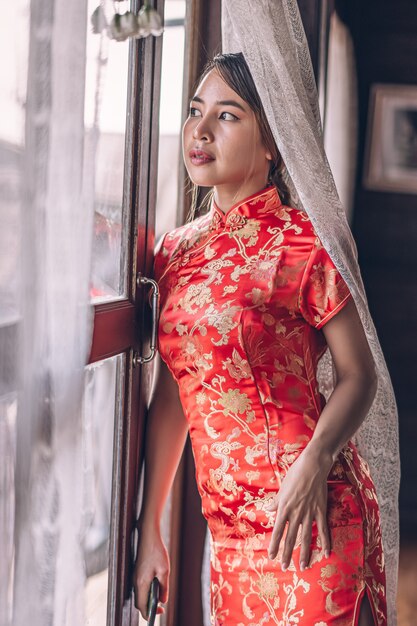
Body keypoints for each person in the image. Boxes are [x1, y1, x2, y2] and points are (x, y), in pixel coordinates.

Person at [133, 53, 386, 626]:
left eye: (226, 116)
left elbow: (359, 376)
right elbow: (176, 394)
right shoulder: (175, 252)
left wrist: (316, 462)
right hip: (227, 535)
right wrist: (152, 526)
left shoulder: (306, 242)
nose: (199, 131)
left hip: (310, 515)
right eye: (196, 111)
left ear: (271, 141)